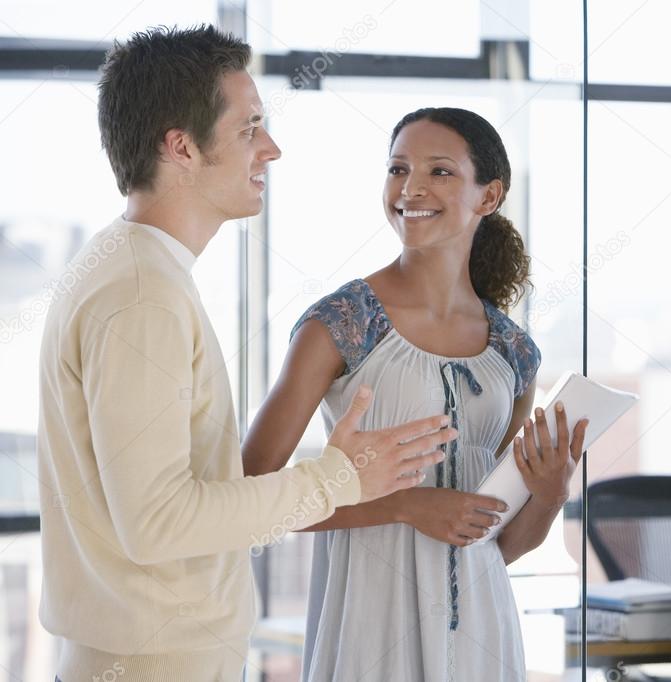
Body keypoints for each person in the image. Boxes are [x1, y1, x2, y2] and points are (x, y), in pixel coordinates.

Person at [36, 26, 456, 682]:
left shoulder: (128, 267)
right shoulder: (143, 296)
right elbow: (157, 523)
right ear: (180, 146)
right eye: (250, 127)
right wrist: (341, 478)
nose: (271, 147)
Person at [242, 107, 588, 681]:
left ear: (489, 196)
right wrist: (404, 506)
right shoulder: (343, 323)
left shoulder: (514, 353)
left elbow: (497, 544)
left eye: (440, 172)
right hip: (368, 630)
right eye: (398, 168)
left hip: (485, 638)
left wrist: (550, 494)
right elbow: (250, 500)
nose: (411, 188)